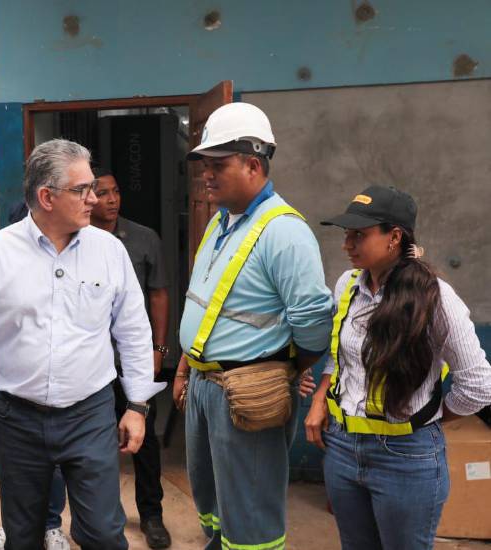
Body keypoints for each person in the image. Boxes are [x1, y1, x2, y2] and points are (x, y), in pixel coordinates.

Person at [0, 138, 164, 550]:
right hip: (17, 419)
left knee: (103, 532)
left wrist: (137, 405)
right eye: (82, 190)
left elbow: (133, 331)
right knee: (23, 534)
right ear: (46, 197)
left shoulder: (109, 252)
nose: (94, 199)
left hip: (90, 414)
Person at [174, 102, 332, 550]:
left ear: (254, 164)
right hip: (208, 387)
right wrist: (187, 370)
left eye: (218, 165)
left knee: (252, 516)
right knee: (215, 503)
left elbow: (314, 323)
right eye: (205, 165)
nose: (207, 174)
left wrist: (286, 368)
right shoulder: (222, 221)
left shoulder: (283, 231)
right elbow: (208, 308)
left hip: (247, 392)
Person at [304, 185, 491, 550]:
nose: (347, 244)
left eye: (359, 235)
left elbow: (479, 385)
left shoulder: (434, 297)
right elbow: (340, 353)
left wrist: (430, 419)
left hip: (407, 457)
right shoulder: (347, 286)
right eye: (346, 234)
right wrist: (319, 399)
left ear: (394, 237)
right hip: (342, 448)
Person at [90, 169, 171, 549]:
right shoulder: (78, 240)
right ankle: (105, 515)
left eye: (116, 191)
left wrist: (159, 350)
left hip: (133, 361)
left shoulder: (143, 238)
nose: (111, 198)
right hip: (92, 366)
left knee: (144, 439)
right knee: (96, 440)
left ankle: (152, 514)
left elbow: (158, 295)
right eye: (102, 192)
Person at [0, 198, 69, 550]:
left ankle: (51, 523)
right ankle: (14, 523)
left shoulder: (66, 268)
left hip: (54, 389)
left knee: (53, 465)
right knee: (12, 467)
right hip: (10, 389)